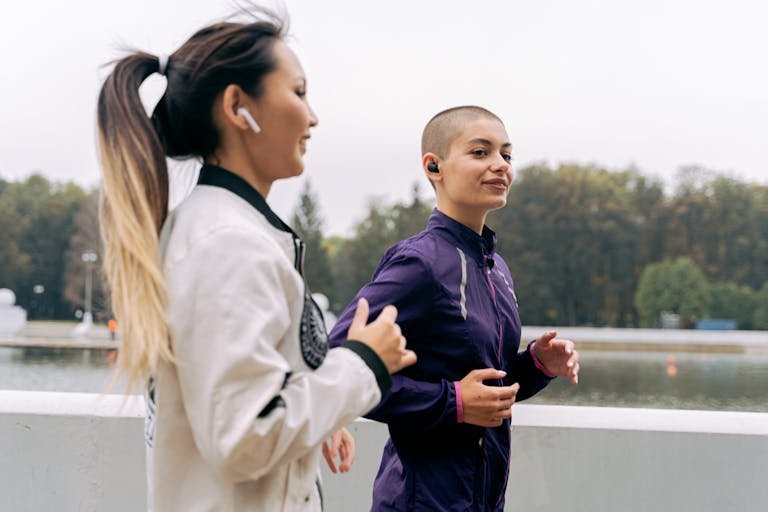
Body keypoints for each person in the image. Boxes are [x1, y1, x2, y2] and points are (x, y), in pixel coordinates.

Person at [96, 11, 416, 512]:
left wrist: (319, 418)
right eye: (299, 92)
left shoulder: (219, 231)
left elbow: (243, 397)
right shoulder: (228, 244)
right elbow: (243, 438)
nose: (312, 117)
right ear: (238, 106)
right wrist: (364, 364)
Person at [329, 106, 580, 511]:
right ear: (434, 167)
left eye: (507, 155)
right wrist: (453, 402)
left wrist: (535, 365)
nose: (500, 165)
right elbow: (339, 368)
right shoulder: (419, 263)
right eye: (480, 153)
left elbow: (485, 387)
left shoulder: (496, 268)